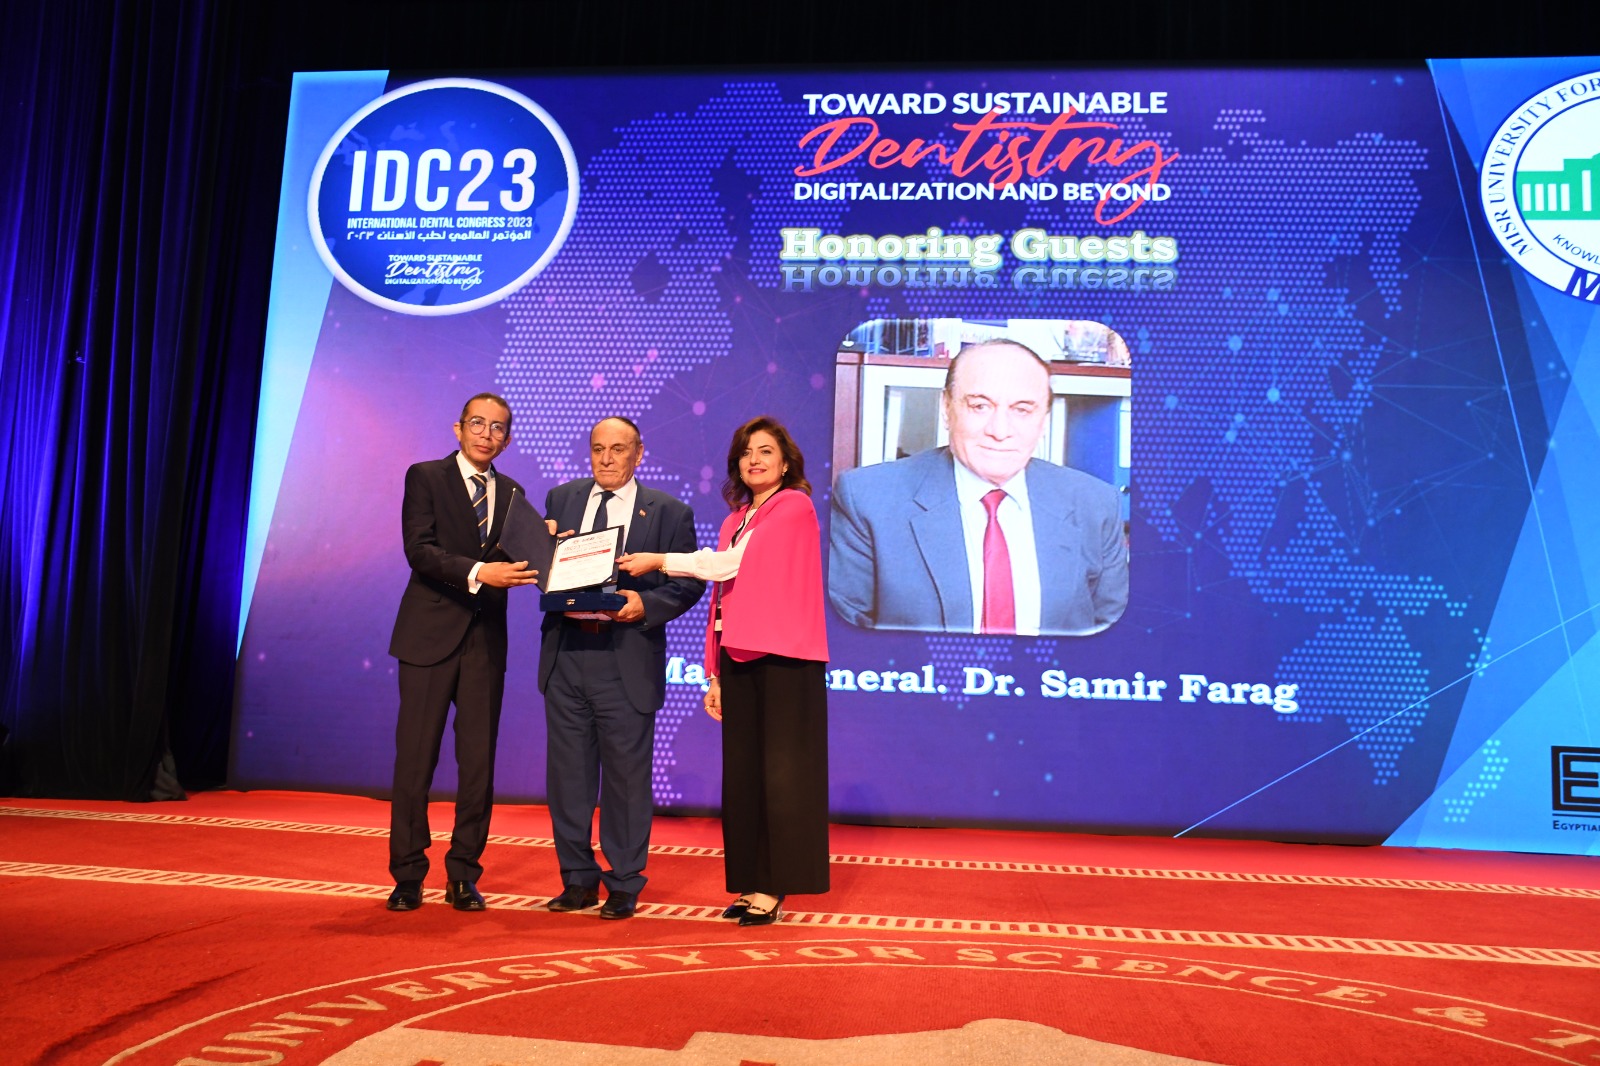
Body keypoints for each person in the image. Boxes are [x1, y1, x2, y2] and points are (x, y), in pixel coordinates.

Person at [619, 416, 829, 927]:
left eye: (765, 451)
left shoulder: (793, 506)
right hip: (738, 657)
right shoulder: (735, 518)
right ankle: (752, 881)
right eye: (746, 452)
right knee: (743, 777)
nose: (755, 460)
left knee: (782, 777)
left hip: (785, 660)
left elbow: (730, 565)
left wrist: (660, 560)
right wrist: (713, 673)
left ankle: (774, 886)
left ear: (785, 462)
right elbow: (721, 603)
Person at [828, 339, 1128, 636]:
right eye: (980, 406)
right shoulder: (866, 499)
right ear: (946, 408)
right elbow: (845, 641)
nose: (1000, 431)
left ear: (1044, 420)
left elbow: (1116, 640)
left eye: (1022, 410)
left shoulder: (1096, 504)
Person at [537, 417, 705, 920]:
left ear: (639, 453)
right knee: (568, 778)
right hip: (567, 654)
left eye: (618, 449)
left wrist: (645, 605)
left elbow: (688, 582)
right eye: (598, 449)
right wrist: (540, 551)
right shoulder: (561, 499)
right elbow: (540, 568)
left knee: (626, 781)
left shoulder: (670, 511)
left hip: (625, 656)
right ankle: (576, 880)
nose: (607, 458)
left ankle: (625, 882)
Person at [387, 393, 541, 913]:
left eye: (497, 428)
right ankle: (408, 874)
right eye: (478, 423)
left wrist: (547, 546)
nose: (486, 434)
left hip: (484, 641)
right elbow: (419, 550)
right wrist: (480, 573)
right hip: (428, 636)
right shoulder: (425, 477)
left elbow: (520, 558)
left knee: (478, 764)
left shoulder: (514, 493)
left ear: (507, 440)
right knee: (415, 761)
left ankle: (463, 874)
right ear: (458, 428)